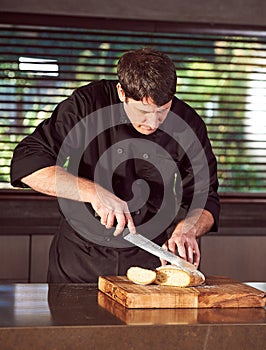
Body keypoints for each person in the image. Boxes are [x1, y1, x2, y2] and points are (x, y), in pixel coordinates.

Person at [10, 48, 220, 283]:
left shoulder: (188, 125)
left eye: (162, 111)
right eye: (142, 111)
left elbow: (206, 196)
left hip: (149, 258)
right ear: (122, 92)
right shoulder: (88, 104)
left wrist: (188, 228)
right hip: (80, 260)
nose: (152, 123)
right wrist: (93, 192)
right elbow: (27, 163)